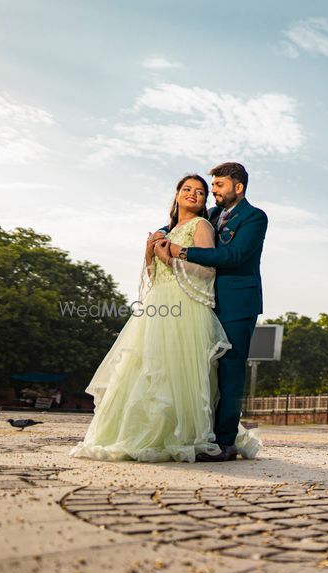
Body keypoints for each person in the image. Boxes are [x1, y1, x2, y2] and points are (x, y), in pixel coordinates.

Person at [70, 174, 260, 462]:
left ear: (237, 187)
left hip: (201, 304)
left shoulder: (223, 221)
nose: (196, 195)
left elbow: (221, 263)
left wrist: (173, 256)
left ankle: (216, 439)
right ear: (176, 193)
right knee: (149, 368)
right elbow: (154, 273)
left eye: (205, 190)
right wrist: (151, 253)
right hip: (159, 304)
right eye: (187, 189)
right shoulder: (176, 227)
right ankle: (140, 432)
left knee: (198, 372)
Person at [156, 162, 268, 463]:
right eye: (212, 186)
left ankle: (226, 442)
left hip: (238, 304)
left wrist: (180, 252)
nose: (213, 191)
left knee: (230, 370)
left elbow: (234, 256)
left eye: (218, 185)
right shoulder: (214, 215)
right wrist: (159, 235)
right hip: (204, 302)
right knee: (203, 370)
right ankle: (200, 431)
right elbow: (182, 227)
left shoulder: (255, 218)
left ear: (238, 187)